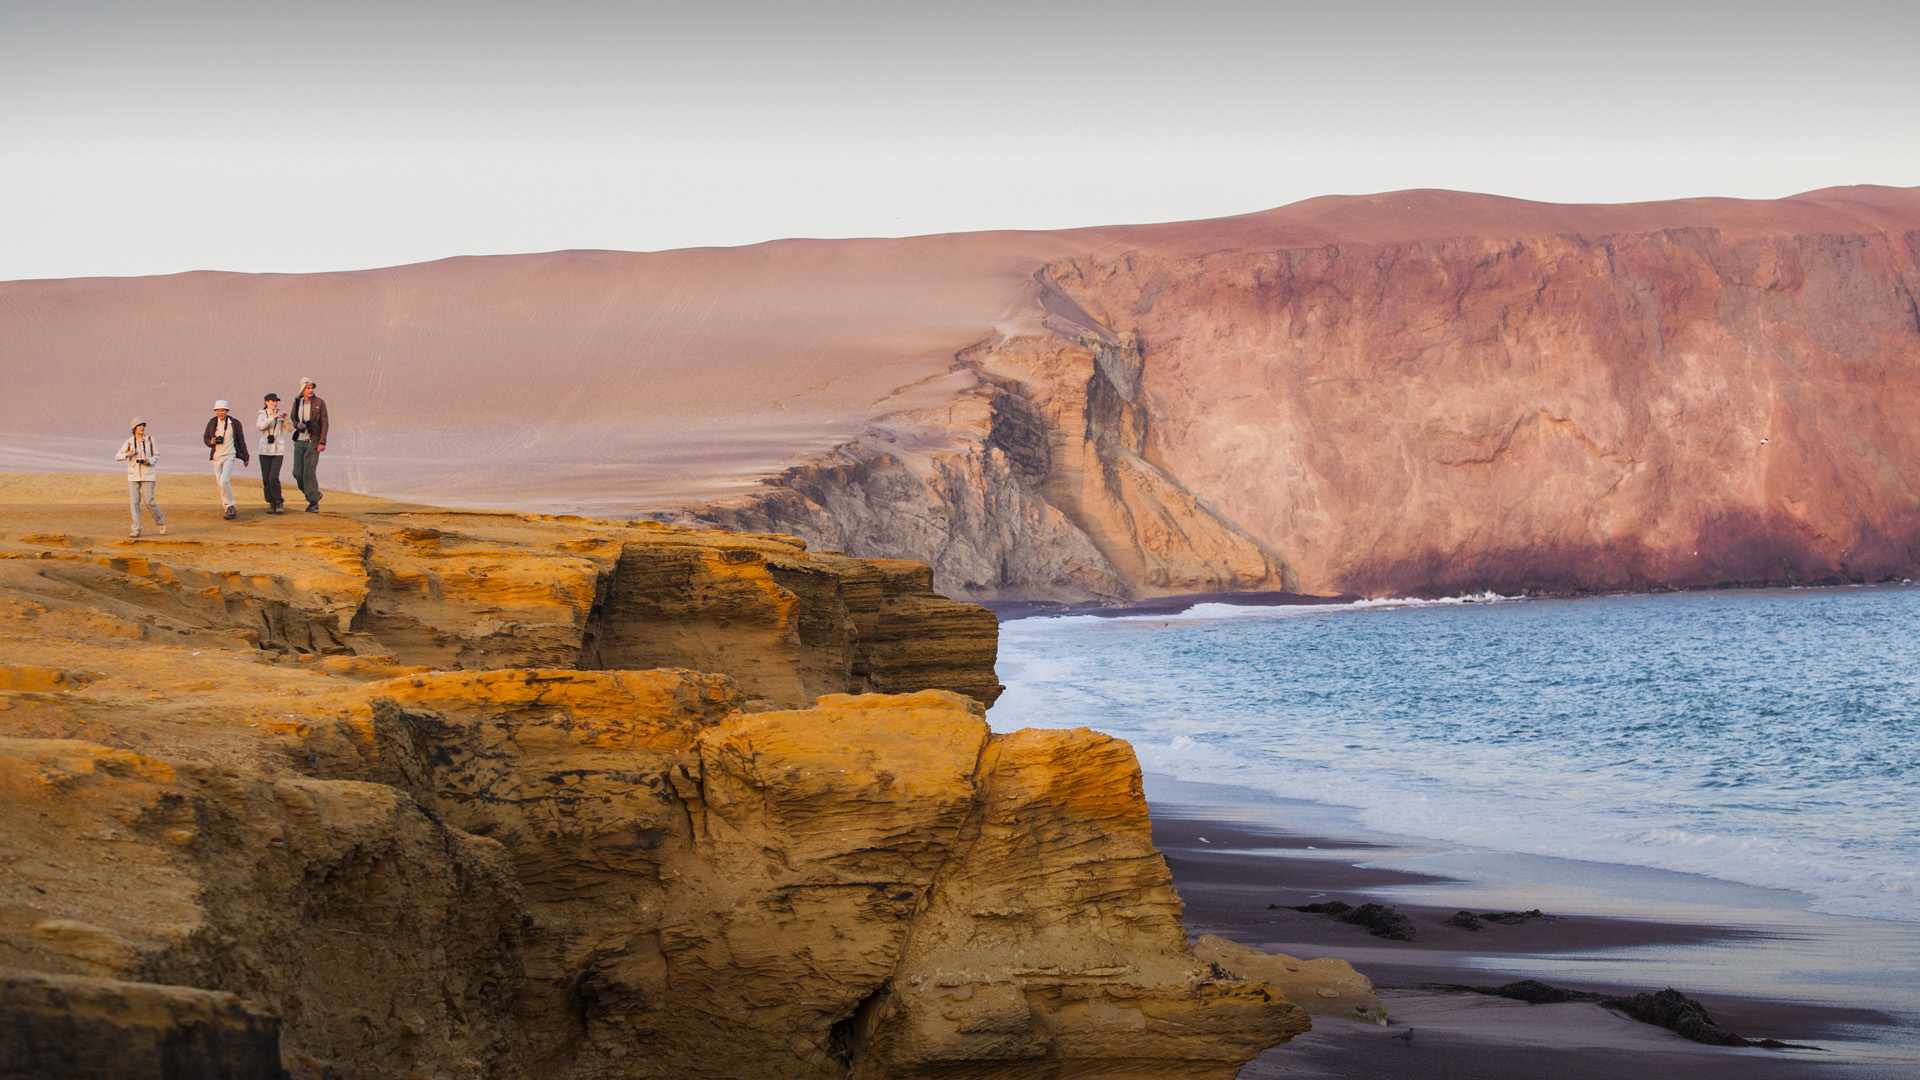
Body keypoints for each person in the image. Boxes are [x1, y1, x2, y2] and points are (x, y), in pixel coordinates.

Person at [115, 417, 165, 538]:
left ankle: (160, 521)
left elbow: (157, 455)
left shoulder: (150, 440)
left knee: (149, 501)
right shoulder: (129, 442)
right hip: (133, 475)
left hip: (148, 474)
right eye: (139, 425)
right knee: (134, 502)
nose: (142, 427)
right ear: (134, 428)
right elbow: (117, 456)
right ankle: (136, 528)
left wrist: (149, 461)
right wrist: (128, 454)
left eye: (143, 425)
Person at [203, 399, 251, 520]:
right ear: (215, 411)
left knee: (224, 481)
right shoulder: (212, 423)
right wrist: (211, 441)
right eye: (218, 410)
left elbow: (241, 440)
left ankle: (230, 505)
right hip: (216, 457)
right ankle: (227, 508)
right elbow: (206, 437)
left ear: (227, 411)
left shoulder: (234, 424)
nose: (220, 413)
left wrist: (245, 456)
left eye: (223, 410)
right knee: (220, 484)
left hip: (230, 455)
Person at [289, 377, 329, 513]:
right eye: (308, 388)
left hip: (313, 441)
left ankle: (313, 503)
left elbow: (324, 423)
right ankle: (314, 495)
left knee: (309, 472)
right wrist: (296, 425)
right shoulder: (297, 402)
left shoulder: (319, 403)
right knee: (297, 473)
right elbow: (293, 417)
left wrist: (322, 442)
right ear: (303, 389)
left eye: (312, 388)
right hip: (299, 441)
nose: (310, 390)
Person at [256, 392, 292, 513]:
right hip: (264, 450)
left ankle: (279, 501)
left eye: (276, 401)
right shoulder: (261, 414)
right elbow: (260, 426)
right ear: (266, 402)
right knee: (266, 478)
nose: (275, 403)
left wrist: (286, 419)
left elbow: (289, 429)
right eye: (272, 401)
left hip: (278, 450)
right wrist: (273, 417)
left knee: (273, 477)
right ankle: (271, 502)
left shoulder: (281, 414)